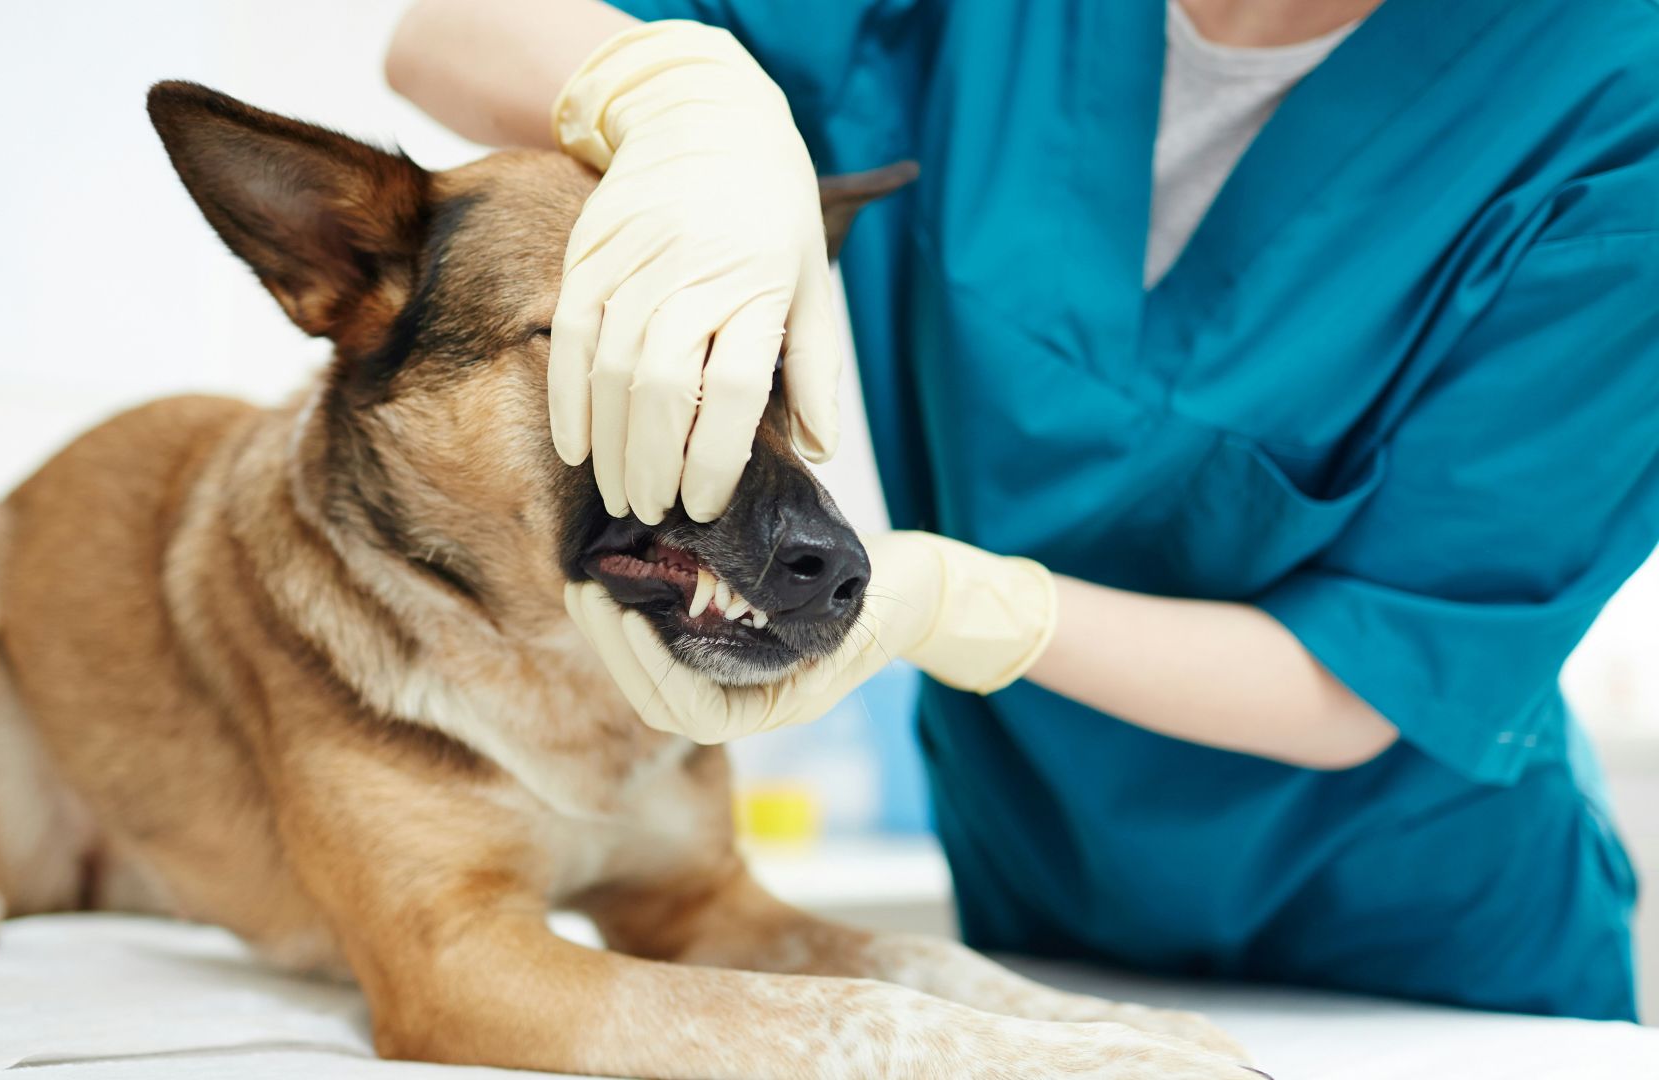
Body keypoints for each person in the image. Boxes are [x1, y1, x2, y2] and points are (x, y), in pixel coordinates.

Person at [387, 0, 1659, 1021]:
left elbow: (1380, 671)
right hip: (1039, 908)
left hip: (1417, 963)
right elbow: (448, 26)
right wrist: (676, 100)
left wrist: (960, 607)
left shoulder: (1613, 104)